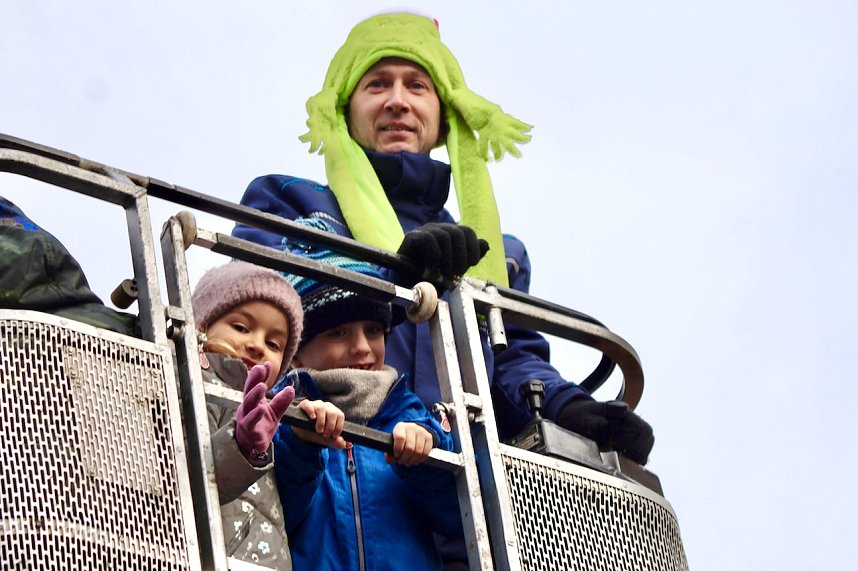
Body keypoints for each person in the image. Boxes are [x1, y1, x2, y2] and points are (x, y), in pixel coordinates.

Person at [232, 12, 655, 462]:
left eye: (417, 86)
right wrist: (398, 279)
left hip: (453, 482)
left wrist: (563, 405)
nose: (397, 101)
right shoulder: (288, 202)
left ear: (445, 114)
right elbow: (263, 321)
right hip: (327, 463)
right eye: (376, 85)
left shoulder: (497, 255)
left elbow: (508, 359)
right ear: (344, 110)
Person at [270, 220, 461, 571]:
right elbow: (270, 519)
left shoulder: (411, 413)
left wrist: (424, 458)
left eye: (373, 330)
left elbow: (458, 520)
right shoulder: (277, 416)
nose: (362, 347)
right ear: (295, 353)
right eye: (338, 332)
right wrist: (300, 445)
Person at [192, 261, 344, 570]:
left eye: (273, 343)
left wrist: (304, 444)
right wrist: (240, 445)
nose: (257, 345)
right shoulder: (195, 382)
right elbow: (186, 478)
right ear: (202, 326)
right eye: (241, 328)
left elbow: (292, 511)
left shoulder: (275, 412)